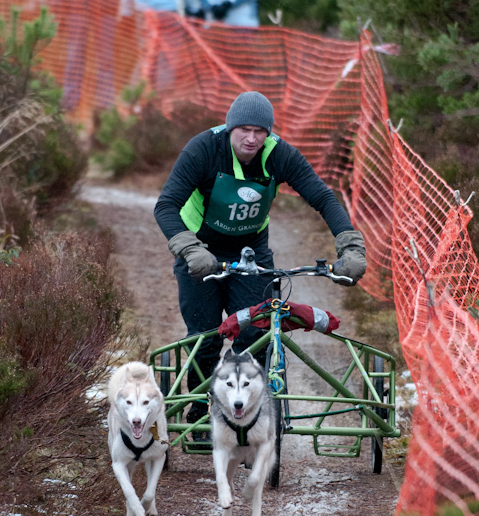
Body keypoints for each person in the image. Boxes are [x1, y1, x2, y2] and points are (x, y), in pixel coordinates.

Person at [154, 91, 367, 435]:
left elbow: (323, 197)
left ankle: (251, 417)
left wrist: (351, 246)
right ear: (229, 127)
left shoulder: (280, 155)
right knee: (205, 339)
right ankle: (198, 409)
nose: (252, 138)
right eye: (244, 130)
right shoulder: (203, 150)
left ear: (268, 132)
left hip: (251, 252)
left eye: (260, 131)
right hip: (199, 250)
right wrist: (191, 249)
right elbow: (165, 206)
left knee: (255, 335)